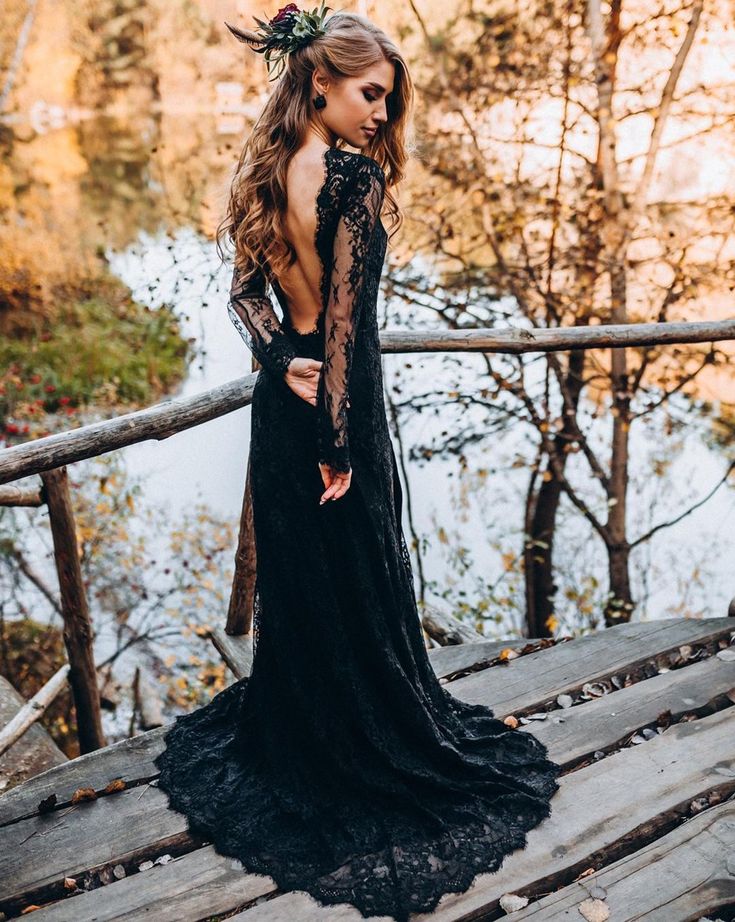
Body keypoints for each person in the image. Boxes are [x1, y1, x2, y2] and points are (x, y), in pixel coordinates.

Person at [153, 5, 562, 920]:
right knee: (353, 581)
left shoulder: (267, 168)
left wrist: (274, 362)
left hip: (281, 402)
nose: (381, 114)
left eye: (387, 99)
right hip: (333, 411)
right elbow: (346, 319)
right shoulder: (349, 178)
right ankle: (359, 752)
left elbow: (247, 297)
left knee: (307, 588)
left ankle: (309, 735)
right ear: (321, 81)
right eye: (371, 94)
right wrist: (341, 441)